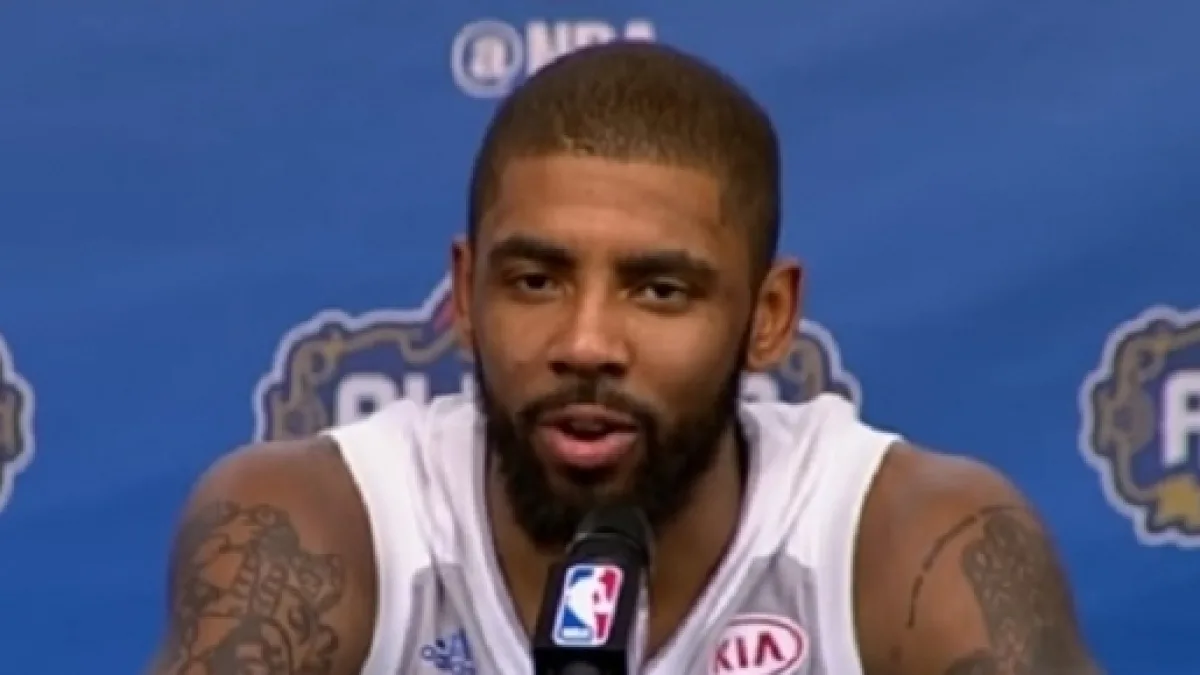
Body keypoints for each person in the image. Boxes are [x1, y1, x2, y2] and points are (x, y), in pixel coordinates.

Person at [147, 42, 1101, 675]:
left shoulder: (909, 544)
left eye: (660, 290)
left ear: (769, 316)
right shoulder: (319, 521)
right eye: (535, 280)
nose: (586, 343)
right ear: (465, 294)